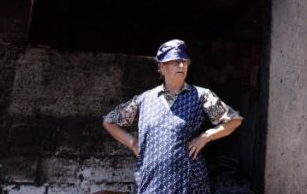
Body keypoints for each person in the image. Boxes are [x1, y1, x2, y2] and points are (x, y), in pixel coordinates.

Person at [103, 39, 243, 194]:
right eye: (175, 62)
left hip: (189, 181)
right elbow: (109, 121)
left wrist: (206, 136)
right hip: (152, 181)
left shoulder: (201, 96)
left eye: (185, 62)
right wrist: (133, 143)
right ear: (161, 67)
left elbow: (234, 121)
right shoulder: (144, 99)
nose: (182, 66)